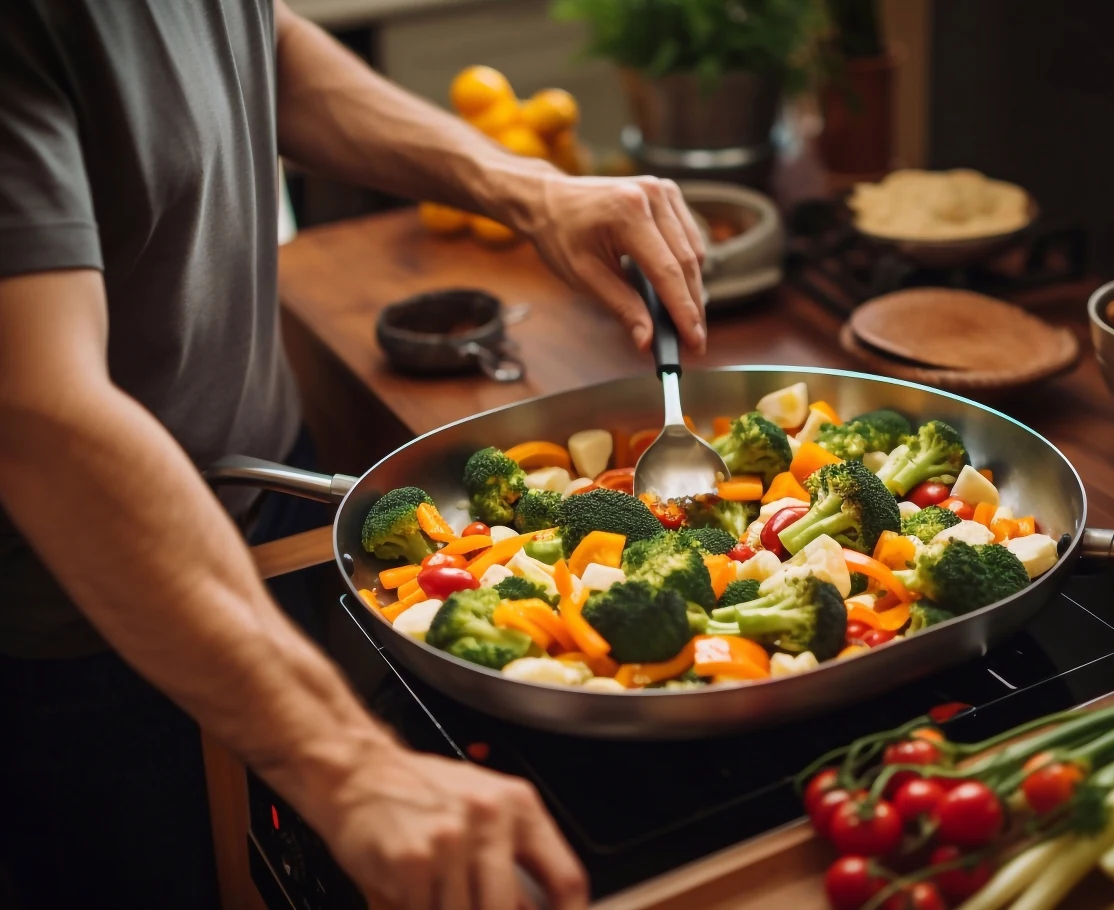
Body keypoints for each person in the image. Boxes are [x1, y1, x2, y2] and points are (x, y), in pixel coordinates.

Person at [0, 2, 707, 909]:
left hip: (267, 486)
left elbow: (263, 46)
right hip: (102, 619)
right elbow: (40, 421)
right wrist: (347, 762)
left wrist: (527, 186)